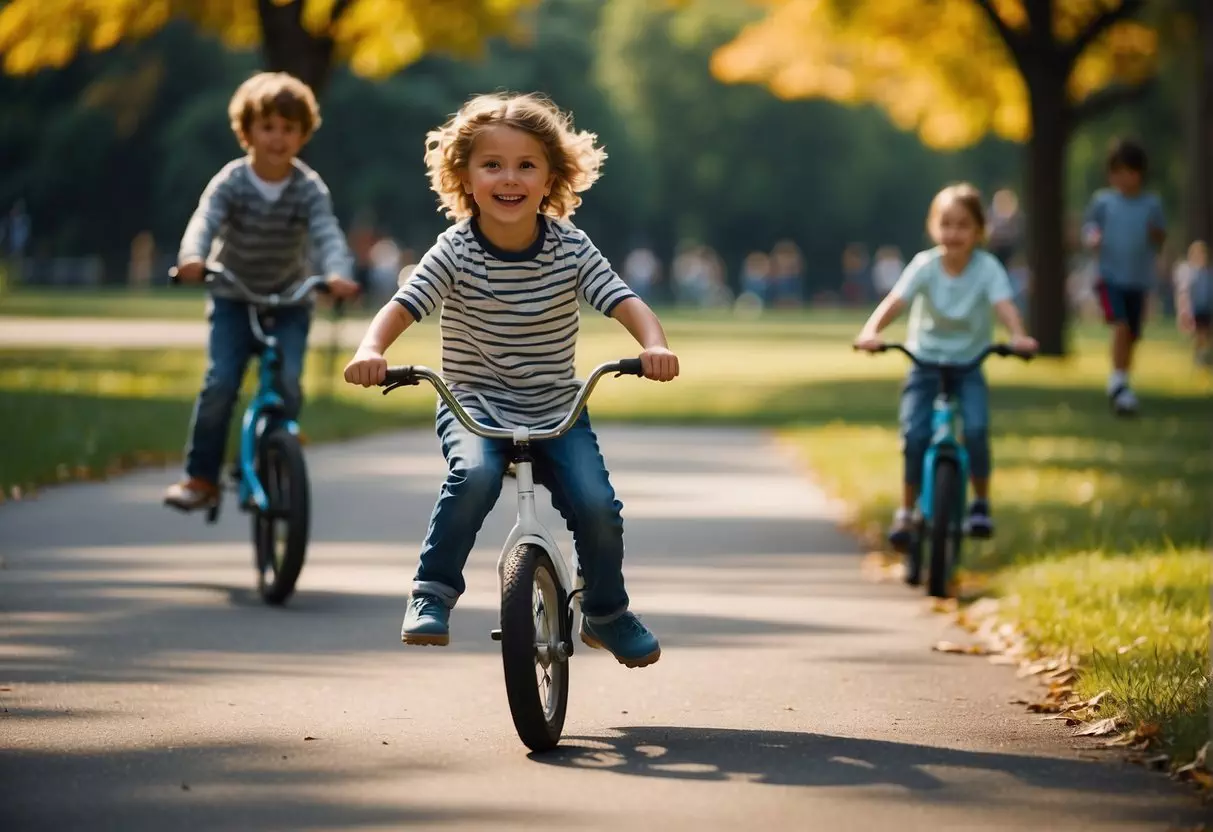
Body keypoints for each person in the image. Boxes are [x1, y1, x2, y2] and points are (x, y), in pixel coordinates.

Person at [342, 92, 679, 668]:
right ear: (465, 177)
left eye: (526, 165)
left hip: (556, 408)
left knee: (597, 505)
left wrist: (654, 344)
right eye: (492, 165)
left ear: (551, 176)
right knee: (472, 475)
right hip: (473, 403)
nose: (509, 178)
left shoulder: (569, 247)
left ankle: (606, 610)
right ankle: (433, 592)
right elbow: (403, 305)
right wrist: (371, 348)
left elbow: (625, 301)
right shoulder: (454, 249)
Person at [164, 72, 360, 511]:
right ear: (247, 131)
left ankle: (273, 453)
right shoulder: (232, 182)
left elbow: (327, 233)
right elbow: (205, 220)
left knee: (288, 380)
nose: (278, 137)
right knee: (220, 383)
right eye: (268, 127)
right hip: (233, 296)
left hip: (290, 299)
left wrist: (338, 272)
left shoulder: (308, 188)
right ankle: (200, 477)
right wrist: (193, 257)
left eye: (289, 129)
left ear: (303, 134)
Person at [853, 183, 1038, 550]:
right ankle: (906, 510)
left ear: (979, 231)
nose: (953, 233)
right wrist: (871, 330)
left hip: (968, 364)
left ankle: (980, 503)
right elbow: (897, 300)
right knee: (915, 435)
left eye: (963, 225)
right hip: (926, 362)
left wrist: (1018, 335)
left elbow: (1003, 305)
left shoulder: (987, 269)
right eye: (946, 224)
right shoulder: (925, 265)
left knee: (977, 428)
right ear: (934, 227)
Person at [1082, 138, 1166, 416]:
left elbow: (1160, 238)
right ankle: (1117, 381)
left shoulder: (1151, 205)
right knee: (1120, 325)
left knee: (1131, 334)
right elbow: (1089, 229)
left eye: (1126, 171)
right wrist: (1092, 238)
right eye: (1115, 172)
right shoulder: (1103, 202)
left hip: (1138, 279)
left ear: (1139, 172)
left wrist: (1157, 236)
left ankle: (1122, 383)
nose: (1121, 178)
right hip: (1110, 277)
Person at [1176, 240, 1211, 366]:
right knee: (1198, 334)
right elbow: (1185, 293)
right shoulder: (1189, 273)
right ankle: (1199, 358)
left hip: (1206, 309)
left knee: (1205, 334)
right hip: (1195, 309)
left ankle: (1203, 357)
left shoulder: (1208, 273)